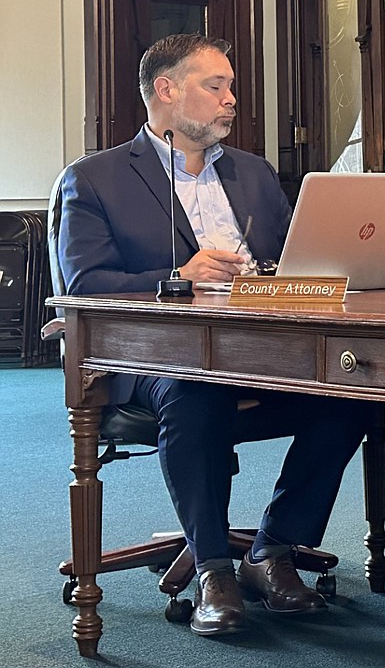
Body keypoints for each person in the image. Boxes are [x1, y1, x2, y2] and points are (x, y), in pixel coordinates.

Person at [57, 34, 368, 636]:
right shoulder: (94, 179)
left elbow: (292, 263)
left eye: (231, 86)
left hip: (261, 349)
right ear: (166, 90)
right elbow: (85, 283)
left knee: (351, 393)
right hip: (145, 356)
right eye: (215, 86)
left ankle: (274, 550)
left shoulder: (254, 174)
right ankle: (214, 569)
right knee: (195, 391)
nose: (231, 100)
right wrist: (176, 277)